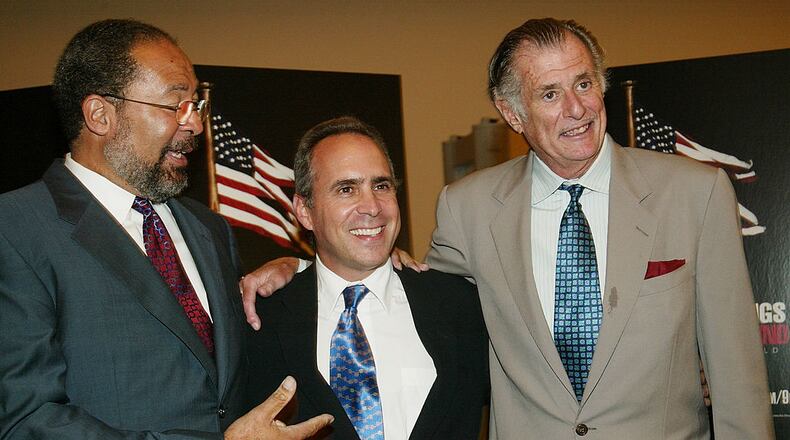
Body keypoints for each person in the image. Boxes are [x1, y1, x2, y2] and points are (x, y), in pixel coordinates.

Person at [241, 18, 774, 439]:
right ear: (511, 112)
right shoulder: (468, 209)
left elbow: (737, 376)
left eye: (584, 83)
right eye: (549, 94)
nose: (577, 108)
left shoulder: (695, 193)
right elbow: (410, 290)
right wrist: (301, 266)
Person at [0, 19, 331, 439]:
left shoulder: (208, 228)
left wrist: (307, 272)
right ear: (100, 115)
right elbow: (25, 420)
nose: (194, 124)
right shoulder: (13, 230)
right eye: (176, 105)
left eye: (196, 105)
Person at [245, 117, 489, 440]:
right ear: (304, 210)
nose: (372, 206)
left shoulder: (462, 304)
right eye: (347, 189)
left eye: (381, 185)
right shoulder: (260, 323)